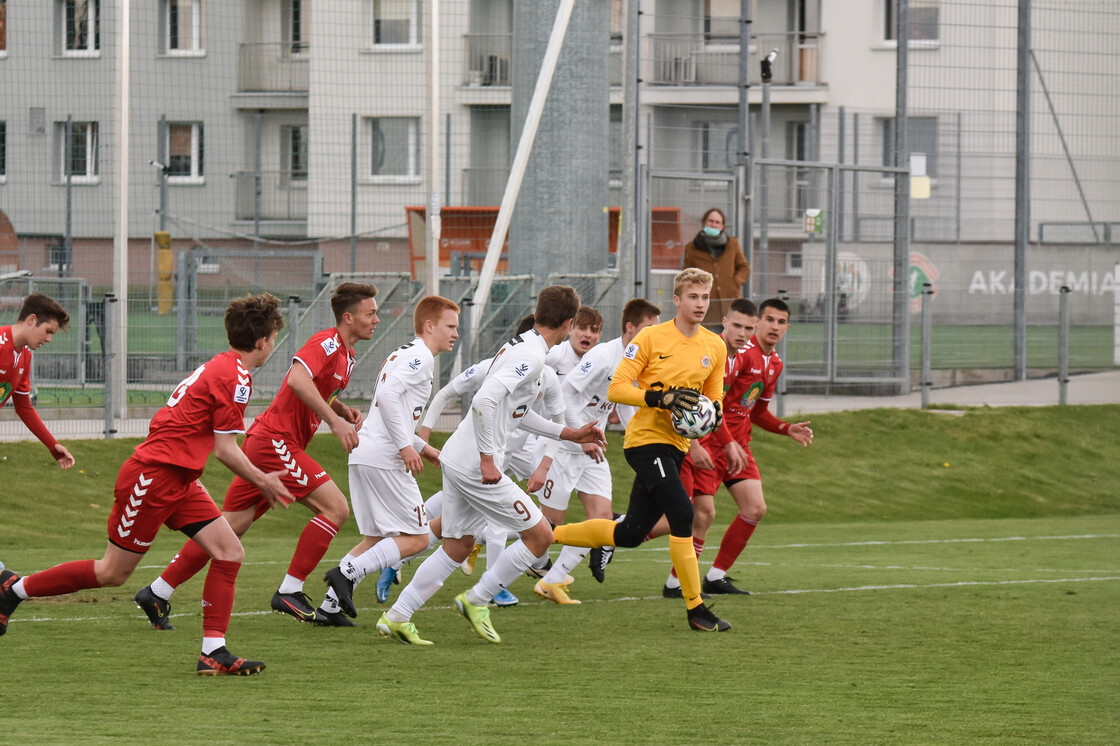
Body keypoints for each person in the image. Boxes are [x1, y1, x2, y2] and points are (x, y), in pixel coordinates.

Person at [0, 294, 292, 675]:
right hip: (151, 478)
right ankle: (13, 590)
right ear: (264, 341)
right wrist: (262, 479)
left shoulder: (224, 367)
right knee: (112, 573)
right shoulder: (235, 377)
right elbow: (225, 449)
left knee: (228, 551)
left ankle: (213, 651)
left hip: (181, 479)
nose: (273, 344)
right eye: (274, 337)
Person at [132, 282, 379, 630]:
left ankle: (157, 591)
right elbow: (296, 379)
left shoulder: (347, 355)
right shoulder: (327, 342)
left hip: (269, 443)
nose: (377, 320)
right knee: (336, 508)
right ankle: (290, 589)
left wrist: (341, 407)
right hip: (276, 441)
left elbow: (315, 387)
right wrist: (335, 422)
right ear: (349, 317)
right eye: (371, 314)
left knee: (225, 531)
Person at [376, 286, 605, 645]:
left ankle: (397, 617)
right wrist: (486, 458)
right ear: (568, 324)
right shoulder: (531, 357)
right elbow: (483, 402)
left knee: (458, 544)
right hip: (474, 465)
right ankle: (478, 599)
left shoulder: (521, 346)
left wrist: (570, 434)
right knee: (541, 536)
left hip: (458, 456)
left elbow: (515, 411)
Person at [552, 268, 732, 632]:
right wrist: (661, 398)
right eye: (693, 297)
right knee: (683, 513)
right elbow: (618, 388)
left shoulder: (715, 346)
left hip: (676, 446)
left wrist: (710, 417)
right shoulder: (651, 337)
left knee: (631, 533)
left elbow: (715, 399)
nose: (700, 304)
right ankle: (696, 608)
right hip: (645, 441)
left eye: (705, 297)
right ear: (677, 301)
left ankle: (546, 534)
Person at [319, 296, 459, 622]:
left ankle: (329, 608)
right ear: (429, 325)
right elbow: (386, 396)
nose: (455, 333)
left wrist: (422, 447)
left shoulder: (406, 352)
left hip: (366, 452)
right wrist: (405, 448)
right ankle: (347, 574)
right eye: (450, 326)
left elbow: (390, 409)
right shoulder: (421, 357)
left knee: (377, 539)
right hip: (384, 456)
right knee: (419, 538)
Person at [530, 298, 661, 604]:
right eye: (649, 329)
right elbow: (564, 394)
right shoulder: (603, 356)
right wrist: (581, 436)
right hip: (563, 447)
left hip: (592, 450)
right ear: (630, 328)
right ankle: (485, 537)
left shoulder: (638, 359)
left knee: (602, 519)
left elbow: (628, 404)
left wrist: (641, 442)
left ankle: (552, 580)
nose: (655, 335)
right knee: (546, 529)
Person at [700, 298, 813, 593]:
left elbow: (757, 411)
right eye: (769, 320)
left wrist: (787, 428)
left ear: (787, 327)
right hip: (713, 443)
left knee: (755, 508)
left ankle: (714, 577)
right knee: (694, 516)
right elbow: (715, 404)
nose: (774, 326)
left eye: (781, 322)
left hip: (739, 446)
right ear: (757, 323)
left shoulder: (774, 364)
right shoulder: (740, 355)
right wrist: (726, 442)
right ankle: (620, 535)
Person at [660, 298, 757, 597]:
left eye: (748, 328)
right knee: (681, 514)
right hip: (683, 443)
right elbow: (683, 399)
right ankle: (614, 532)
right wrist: (695, 444)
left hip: (707, 443)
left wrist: (727, 442)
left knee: (703, 513)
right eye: (737, 325)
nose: (742, 333)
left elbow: (714, 409)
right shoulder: (708, 350)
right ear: (725, 322)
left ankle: (677, 583)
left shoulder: (737, 359)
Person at [0, 293, 76, 470]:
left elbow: (24, 407)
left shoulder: (24, 357)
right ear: (32, 320)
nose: (49, 339)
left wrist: (53, 445)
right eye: (48, 331)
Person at [682, 207, 750, 327]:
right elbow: (687, 274)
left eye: (717, 222)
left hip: (729, 303)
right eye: (710, 221)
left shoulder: (732, 244)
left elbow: (744, 267)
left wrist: (735, 282)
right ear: (704, 223)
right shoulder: (691, 248)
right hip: (706, 306)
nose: (713, 225)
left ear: (723, 226)